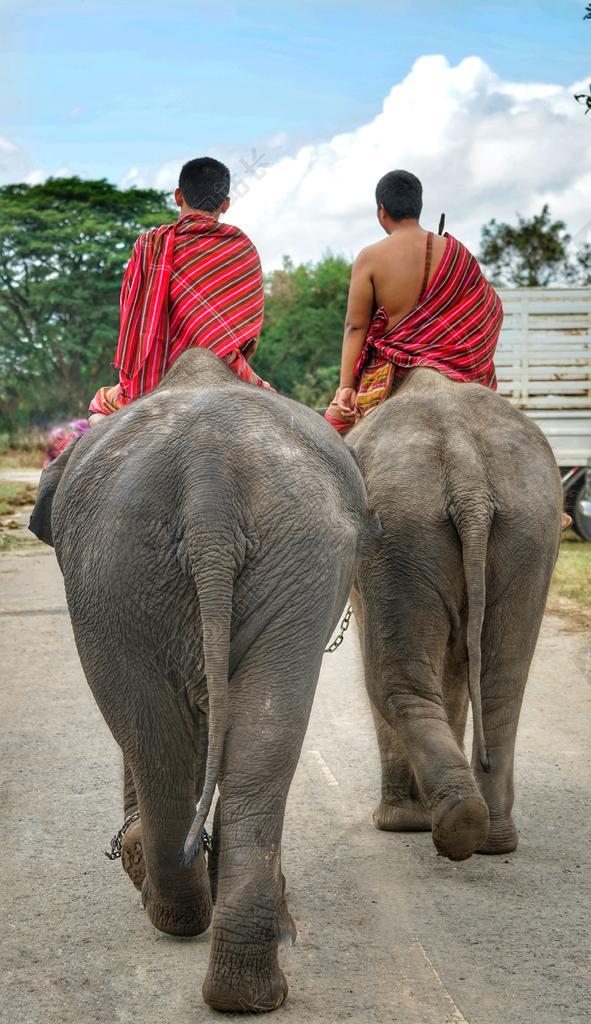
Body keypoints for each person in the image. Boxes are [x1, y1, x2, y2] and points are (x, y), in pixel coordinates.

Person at [89, 156, 271, 423]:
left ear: (178, 196)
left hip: (155, 376)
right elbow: (248, 338)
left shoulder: (149, 245)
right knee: (281, 411)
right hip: (226, 369)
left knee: (98, 412)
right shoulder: (241, 248)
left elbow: (132, 321)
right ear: (225, 204)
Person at [324, 169, 503, 434]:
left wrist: (346, 388)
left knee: (329, 441)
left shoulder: (370, 258)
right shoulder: (458, 254)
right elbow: (491, 311)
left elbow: (355, 328)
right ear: (418, 207)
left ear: (381, 211)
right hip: (459, 375)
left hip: (395, 375)